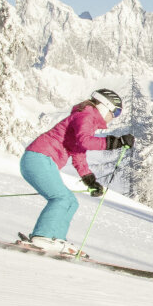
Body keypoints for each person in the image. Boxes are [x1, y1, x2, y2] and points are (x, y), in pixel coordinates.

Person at [19, 88, 133, 255]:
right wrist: (115, 142)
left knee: (71, 201)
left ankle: (56, 239)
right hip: (39, 158)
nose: (114, 117)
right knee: (61, 198)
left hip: (39, 159)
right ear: (104, 106)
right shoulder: (86, 115)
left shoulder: (86, 118)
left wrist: (89, 180)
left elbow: (79, 153)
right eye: (115, 112)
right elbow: (85, 141)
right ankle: (42, 237)